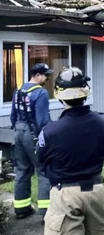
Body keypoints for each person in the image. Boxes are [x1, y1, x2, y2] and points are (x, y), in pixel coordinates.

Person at [36, 66, 104, 235]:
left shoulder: (51, 131)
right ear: (85, 93)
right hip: (96, 192)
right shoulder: (100, 123)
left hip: (65, 195)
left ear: (59, 95)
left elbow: (41, 161)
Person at [10, 63, 53, 220]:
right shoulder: (40, 93)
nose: (47, 78)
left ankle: (21, 209)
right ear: (37, 76)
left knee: (22, 170)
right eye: (45, 75)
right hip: (33, 133)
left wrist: (18, 129)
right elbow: (43, 120)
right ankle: (46, 212)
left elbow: (13, 115)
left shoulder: (18, 90)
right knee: (43, 170)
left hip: (18, 132)